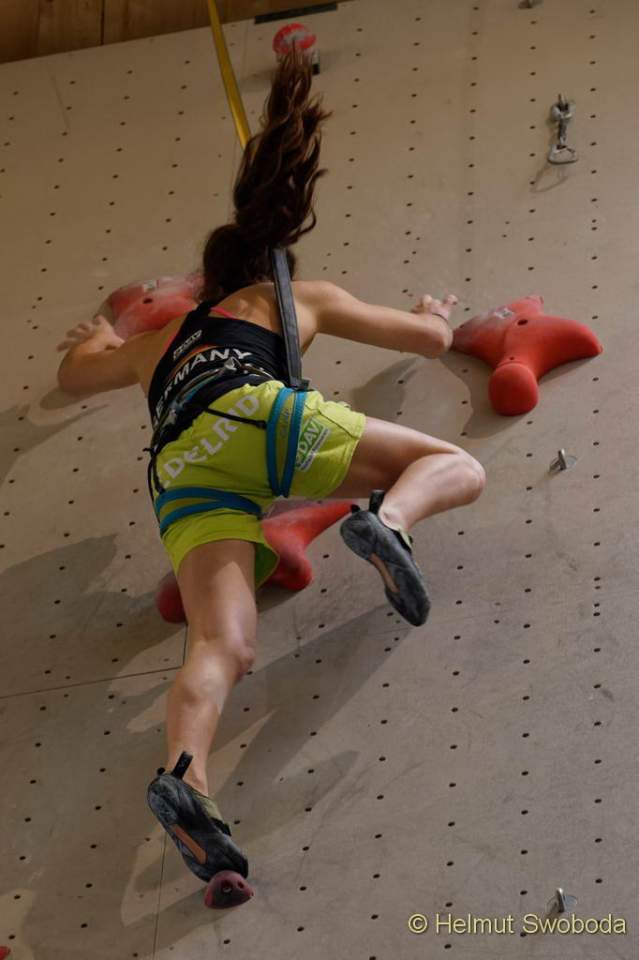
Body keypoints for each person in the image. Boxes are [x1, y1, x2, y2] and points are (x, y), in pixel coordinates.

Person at [56, 47, 485, 906]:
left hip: (180, 471)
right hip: (255, 415)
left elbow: (74, 375)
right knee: (453, 464)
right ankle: (389, 522)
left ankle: (187, 779)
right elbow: (430, 343)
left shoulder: (153, 345)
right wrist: (431, 315)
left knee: (221, 645)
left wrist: (106, 329)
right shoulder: (294, 298)